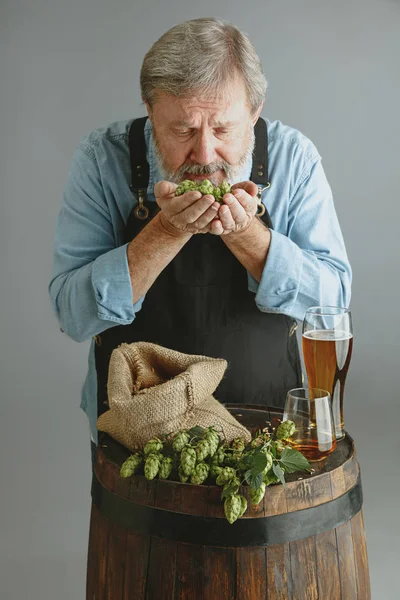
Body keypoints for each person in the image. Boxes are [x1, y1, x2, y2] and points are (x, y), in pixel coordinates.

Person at [49, 18, 352, 452]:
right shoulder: (102, 160)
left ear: (255, 109)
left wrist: (249, 235)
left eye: (224, 129)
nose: (205, 155)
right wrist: (165, 231)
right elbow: (73, 315)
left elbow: (334, 303)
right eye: (184, 130)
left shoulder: (294, 159)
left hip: (272, 435)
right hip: (139, 437)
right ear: (150, 110)